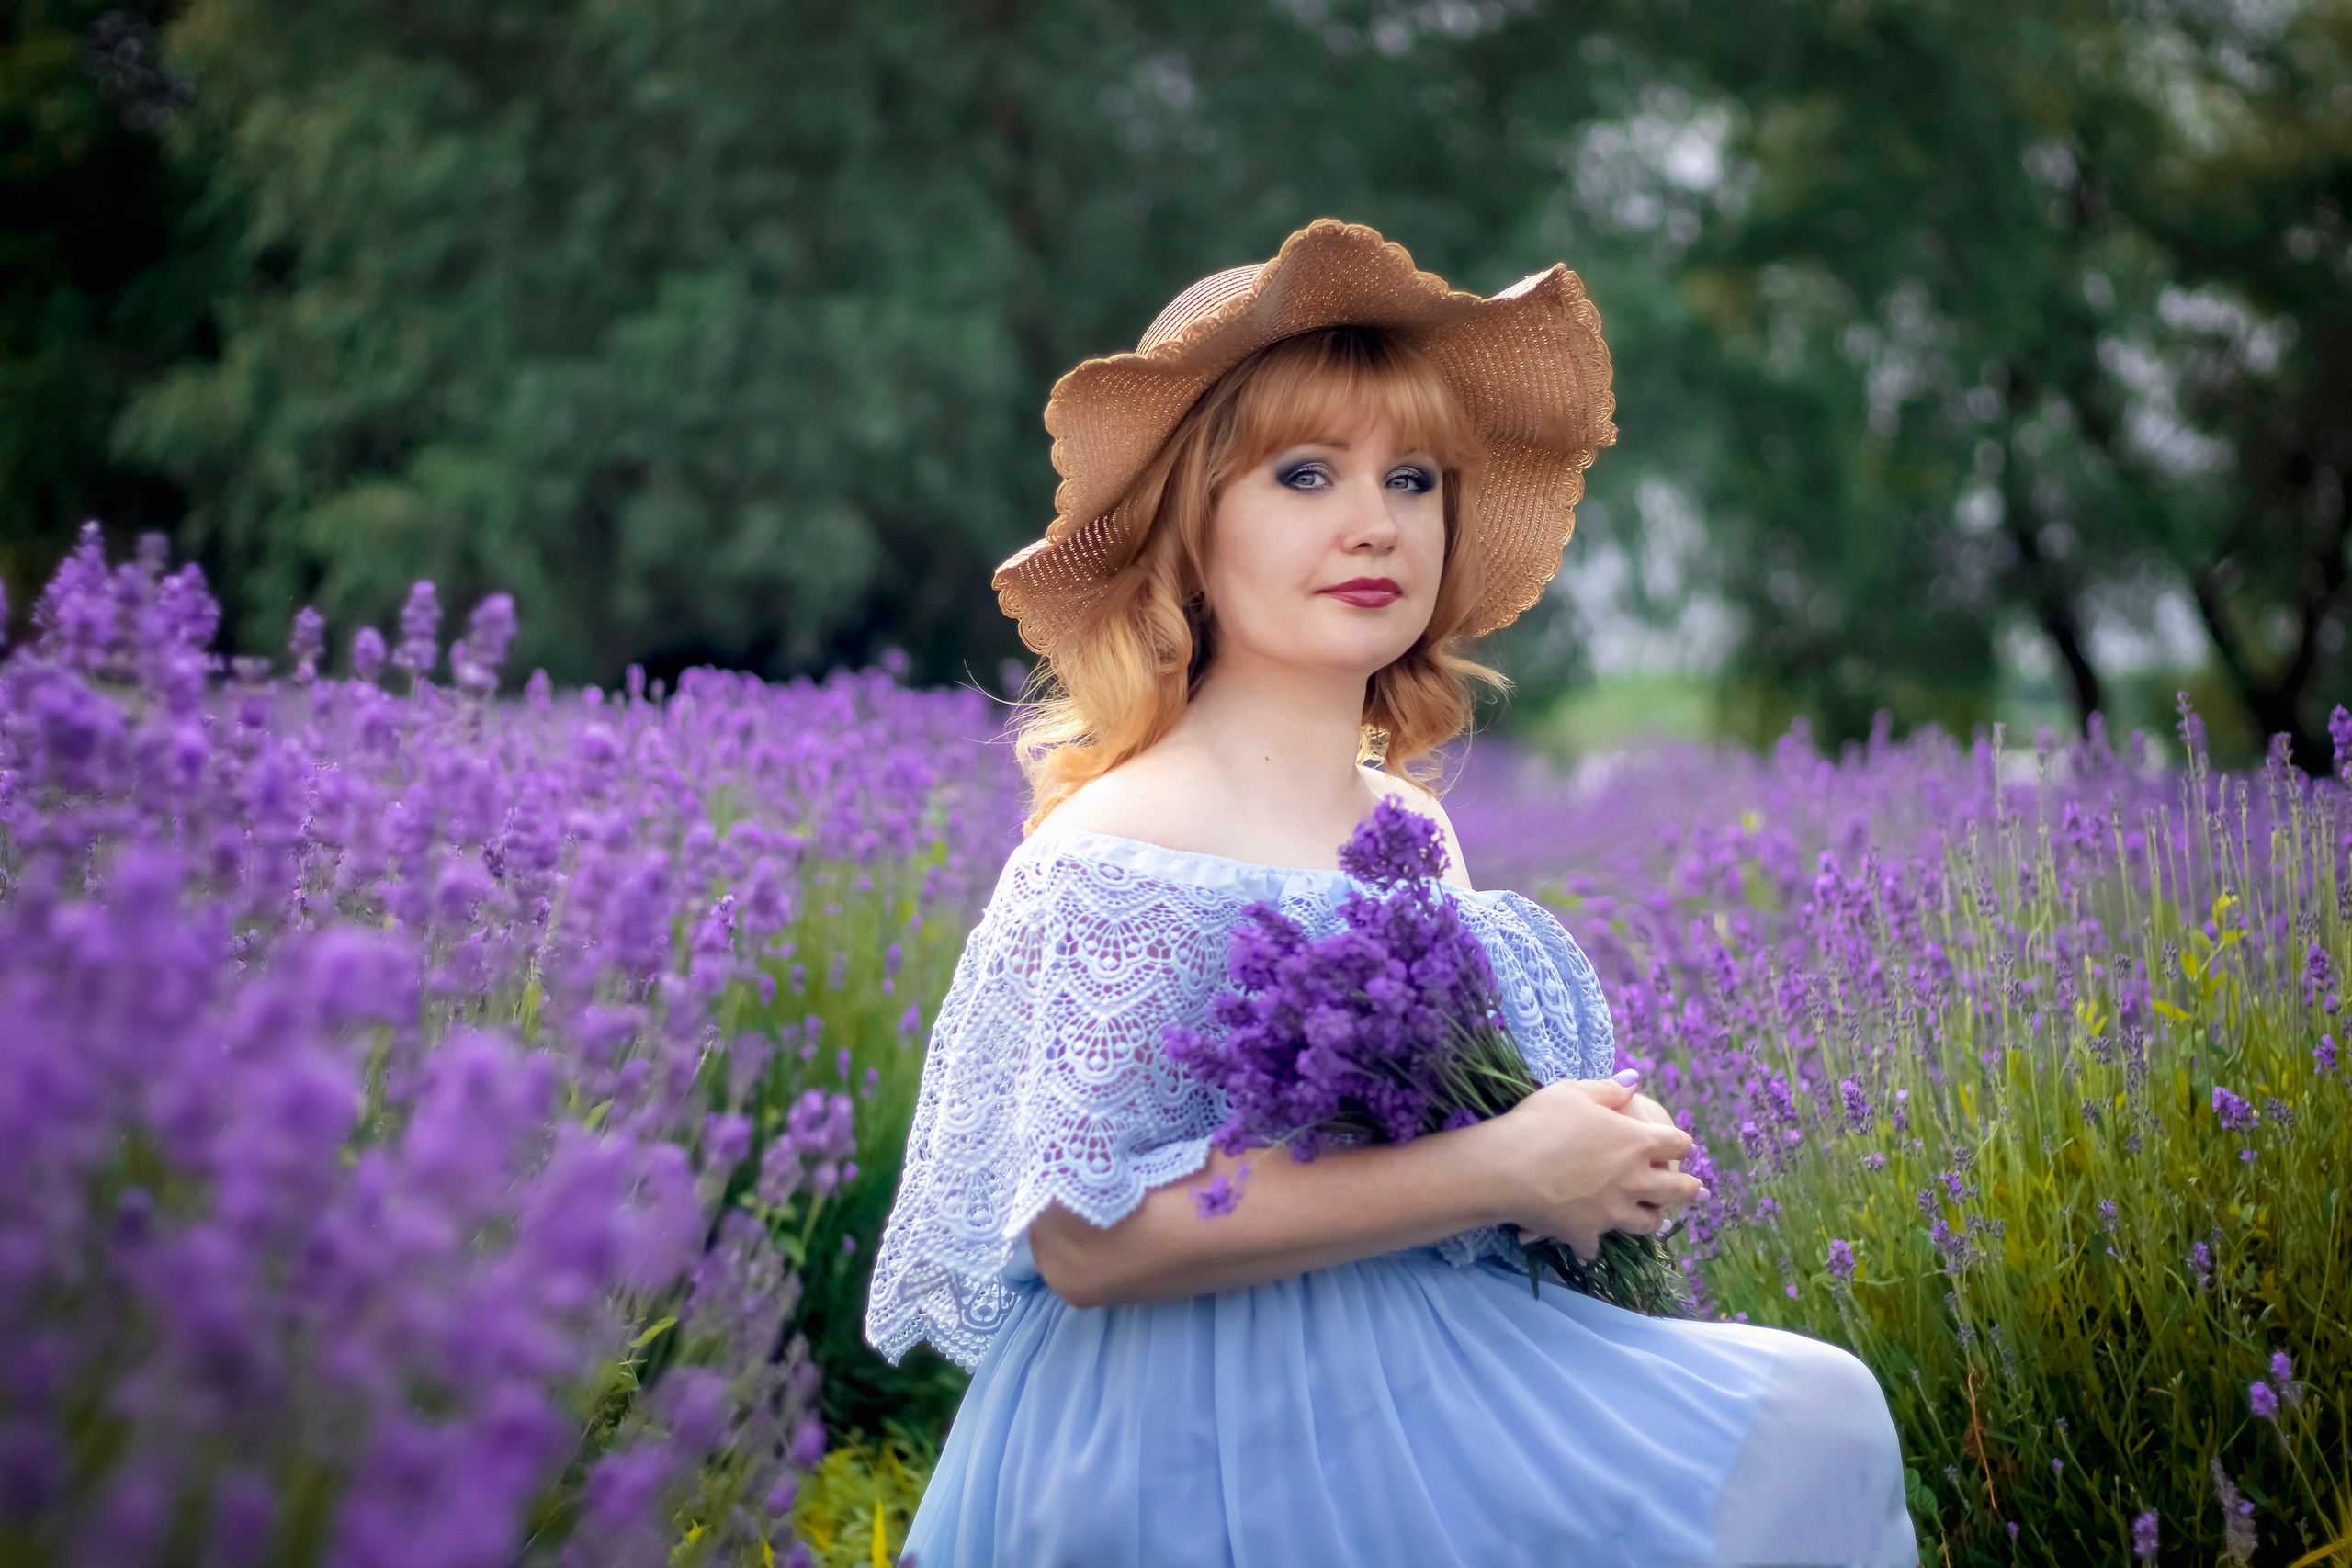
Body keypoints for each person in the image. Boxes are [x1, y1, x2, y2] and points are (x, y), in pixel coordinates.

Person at [865, 219, 1919, 1567]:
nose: (1375, 524)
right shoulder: (1118, 843)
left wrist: (1578, 1152)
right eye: (1306, 475)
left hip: (1422, 1358)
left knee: (1814, 1421)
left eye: (1411, 479)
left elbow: (1427, 1141)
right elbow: (1084, 1240)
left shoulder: (1409, 828)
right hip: (1193, 1422)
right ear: (1193, 534)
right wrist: (1499, 1166)